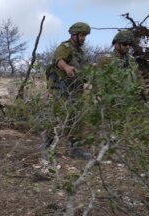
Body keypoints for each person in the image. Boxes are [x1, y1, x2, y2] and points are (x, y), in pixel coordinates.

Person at [44, 22, 92, 160]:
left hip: (76, 90)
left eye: (85, 36)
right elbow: (59, 60)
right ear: (73, 35)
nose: (83, 38)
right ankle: (47, 148)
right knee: (58, 119)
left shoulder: (80, 52)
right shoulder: (64, 47)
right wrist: (66, 68)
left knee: (78, 119)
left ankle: (75, 149)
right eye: (81, 35)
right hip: (62, 91)